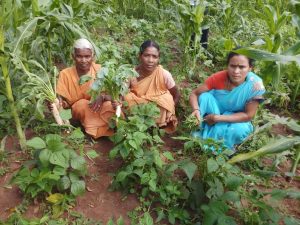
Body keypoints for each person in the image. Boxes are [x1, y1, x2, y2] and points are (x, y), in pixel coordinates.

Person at [189, 51, 265, 150]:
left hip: (236, 118)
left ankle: (213, 138)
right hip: (215, 109)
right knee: (204, 97)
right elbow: (194, 94)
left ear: (250, 68)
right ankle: (200, 126)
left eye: (242, 67)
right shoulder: (218, 78)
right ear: (227, 66)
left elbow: (248, 115)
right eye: (232, 66)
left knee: (239, 130)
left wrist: (218, 118)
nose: (236, 71)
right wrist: (196, 110)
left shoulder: (255, 85)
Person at [56, 38, 115, 138]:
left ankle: (98, 128)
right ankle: (94, 129)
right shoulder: (65, 74)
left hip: (99, 108)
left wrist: (102, 96)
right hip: (78, 112)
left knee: (109, 106)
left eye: (87, 56)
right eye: (79, 56)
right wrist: (57, 104)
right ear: (73, 56)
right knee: (82, 105)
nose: (83, 60)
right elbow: (63, 103)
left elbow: (113, 96)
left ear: (93, 56)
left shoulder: (100, 70)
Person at [124, 40, 180, 133]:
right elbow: (121, 95)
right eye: (146, 55)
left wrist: (170, 108)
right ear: (140, 56)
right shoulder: (131, 73)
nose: (150, 60)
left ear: (158, 58)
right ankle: (135, 123)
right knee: (127, 98)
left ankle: (157, 125)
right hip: (136, 107)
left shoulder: (164, 74)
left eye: (154, 57)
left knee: (166, 98)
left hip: (155, 110)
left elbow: (176, 94)